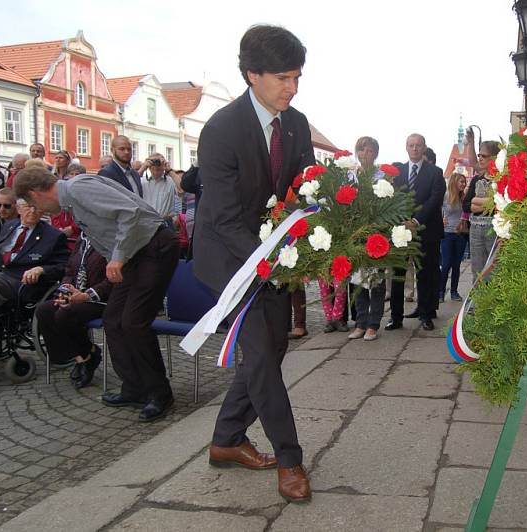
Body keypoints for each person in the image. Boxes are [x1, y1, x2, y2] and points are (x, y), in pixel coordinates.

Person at [193, 24, 314, 503]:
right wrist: (274, 262)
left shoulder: (297, 123)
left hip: (272, 253)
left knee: (275, 347)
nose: (293, 87)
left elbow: (305, 191)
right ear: (252, 75)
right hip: (229, 258)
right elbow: (222, 219)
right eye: (283, 78)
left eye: (297, 77)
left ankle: (226, 440)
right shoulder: (221, 130)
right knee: (262, 353)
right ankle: (290, 459)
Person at [14, 167, 179, 422]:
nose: (40, 211)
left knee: (134, 323)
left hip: (152, 248)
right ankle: (134, 387)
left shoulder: (79, 188)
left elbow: (130, 213)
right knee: (113, 320)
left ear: (35, 194)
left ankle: (160, 393)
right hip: (135, 254)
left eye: (33, 203)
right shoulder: (74, 199)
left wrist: (118, 257)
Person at [0, 198, 70, 356]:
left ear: (42, 211)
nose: (33, 211)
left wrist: (41, 269)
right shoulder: (9, 227)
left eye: (36, 208)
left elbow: (64, 266)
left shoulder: (53, 236)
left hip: (24, 283)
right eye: (28, 207)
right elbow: (0, 257)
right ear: (19, 209)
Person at [386, 133, 445, 332]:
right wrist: (401, 221)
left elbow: (434, 200)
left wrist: (416, 221)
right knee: (398, 276)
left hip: (426, 231)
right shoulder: (397, 172)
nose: (414, 149)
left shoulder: (435, 172)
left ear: (424, 147)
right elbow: (391, 199)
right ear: (406, 147)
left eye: (418, 145)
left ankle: (426, 314)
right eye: (411, 145)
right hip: (400, 231)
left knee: (426, 274)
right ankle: (395, 317)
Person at [35, 233, 110, 387]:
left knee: (65, 315)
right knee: (44, 310)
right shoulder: (82, 239)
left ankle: (85, 357)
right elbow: (69, 271)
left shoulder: (108, 239)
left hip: (101, 299)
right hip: (76, 296)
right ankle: (84, 356)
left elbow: (112, 280)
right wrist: (65, 291)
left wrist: (85, 295)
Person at [348, 136, 386, 341]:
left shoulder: (381, 177)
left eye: (369, 151)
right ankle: (360, 322)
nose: (365, 154)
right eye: (361, 150)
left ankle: (373, 323)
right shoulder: (350, 175)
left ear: (376, 154)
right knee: (357, 280)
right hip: (355, 233)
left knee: (376, 280)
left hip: (375, 233)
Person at [462, 140, 500, 281]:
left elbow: (501, 206)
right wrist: (489, 203)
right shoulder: (476, 179)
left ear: (494, 158)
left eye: (484, 156)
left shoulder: (501, 180)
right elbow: (466, 205)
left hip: (494, 229)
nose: (480, 159)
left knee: (493, 269)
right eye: (479, 155)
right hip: (476, 228)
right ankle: (476, 301)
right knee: (477, 269)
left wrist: (477, 201)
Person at [440, 172, 468, 302]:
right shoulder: (445, 196)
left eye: (464, 182)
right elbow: (437, 210)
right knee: (446, 264)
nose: (463, 184)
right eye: (461, 181)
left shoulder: (464, 198)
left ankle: (454, 292)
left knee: (456, 265)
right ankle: (440, 292)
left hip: (460, 235)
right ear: (454, 182)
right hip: (447, 234)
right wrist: (441, 220)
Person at [140, 153, 180, 227]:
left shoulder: (171, 181)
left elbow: (182, 189)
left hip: (166, 223)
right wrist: (142, 168)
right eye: (153, 162)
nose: (156, 166)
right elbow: (129, 188)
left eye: (159, 162)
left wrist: (169, 170)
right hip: (147, 223)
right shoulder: (142, 181)